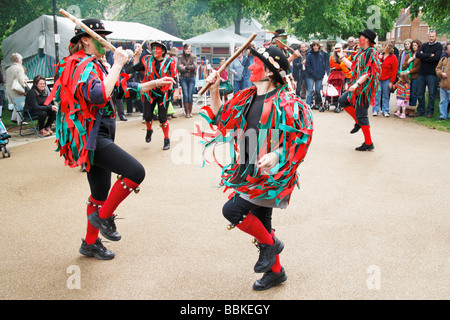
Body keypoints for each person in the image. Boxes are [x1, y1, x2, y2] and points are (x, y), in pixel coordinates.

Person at [45, 18, 175, 260]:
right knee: (136, 172)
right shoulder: (79, 65)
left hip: (100, 135)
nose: (107, 41)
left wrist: (156, 82)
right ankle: (103, 217)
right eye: (101, 36)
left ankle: (90, 243)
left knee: (99, 194)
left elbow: (122, 89)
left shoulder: (97, 64)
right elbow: (99, 95)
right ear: (85, 40)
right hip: (92, 138)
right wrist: (117, 64)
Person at [201, 45, 313, 291]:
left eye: (256, 63)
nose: (250, 66)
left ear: (271, 72)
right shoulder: (245, 96)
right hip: (247, 171)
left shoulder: (288, 102)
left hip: (268, 178)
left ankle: (271, 246)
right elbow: (222, 119)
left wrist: (276, 154)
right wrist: (214, 89)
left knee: (232, 211)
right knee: (263, 223)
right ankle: (276, 272)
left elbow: (300, 139)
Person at [337, 28, 381, 151]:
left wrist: (356, 84)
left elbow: (369, 72)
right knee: (342, 100)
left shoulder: (371, 53)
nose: (359, 39)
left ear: (367, 40)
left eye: (361, 37)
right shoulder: (361, 52)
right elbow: (354, 67)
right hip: (357, 88)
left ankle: (368, 143)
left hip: (364, 90)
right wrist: (342, 57)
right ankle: (358, 122)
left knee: (362, 115)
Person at [133, 41, 177, 149]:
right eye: (153, 48)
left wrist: (176, 90)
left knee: (163, 118)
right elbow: (135, 68)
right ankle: (149, 130)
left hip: (164, 93)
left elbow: (174, 77)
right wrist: (137, 55)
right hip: (150, 93)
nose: (154, 51)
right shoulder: (147, 60)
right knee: (147, 116)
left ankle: (166, 139)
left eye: (157, 48)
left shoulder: (170, 62)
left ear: (163, 51)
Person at [415, 30, 443, 118]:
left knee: (431, 94)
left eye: (432, 36)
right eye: (430, 36)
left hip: (432, 74)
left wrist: (425, 56)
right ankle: (421, 111)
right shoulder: (424, 45)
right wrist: (430, 55)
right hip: (422, 73)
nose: (431, 38)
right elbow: (418, 55)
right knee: (420, 93)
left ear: (436, 37)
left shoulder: (439, 46)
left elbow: (436, 58)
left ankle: (430, 112)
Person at [373, 43, 398, 117]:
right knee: (377, 95)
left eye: (384, 47)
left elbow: (394, 70)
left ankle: (385, 110)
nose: (382, 48)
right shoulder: (380, 56)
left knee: (386, 95)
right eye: (382, 47)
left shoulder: (393, 58)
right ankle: (375, 110)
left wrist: (392, 81)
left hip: (387, 78)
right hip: (378, 77)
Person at [5, 53, 28, 124]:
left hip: (9, 89)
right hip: (17, 89)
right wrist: (26, 88)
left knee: (15, 104)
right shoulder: (19, 68)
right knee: (20, 104)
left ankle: (14, 118)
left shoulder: (8, 69)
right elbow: (21, 80)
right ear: (19, 60)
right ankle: (20, 121)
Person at [402, 40, 422, 117]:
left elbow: (418, 68)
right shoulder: (408, 55)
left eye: (415, 45)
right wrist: (408, 62)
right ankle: (406, 108)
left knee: (414, 93)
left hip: (415, 77)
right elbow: (403, 67)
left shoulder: (419, 56)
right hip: (407, 78)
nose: (414, 47)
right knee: (407, 93)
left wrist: (410, 71)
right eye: (413, 45)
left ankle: (412, 109)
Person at [305, 41, 326, 109]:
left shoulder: (321, 55)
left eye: (317, 46)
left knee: (317, 90)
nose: (316, 47)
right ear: (312, 46)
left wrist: (323, 73)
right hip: (311, 75)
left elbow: (323, 65)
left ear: (319, 47)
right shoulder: (309, 55)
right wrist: (311, 72)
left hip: (319, 75)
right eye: (314, 46)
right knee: (310, 90)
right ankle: (308, 104)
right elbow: (307, 65)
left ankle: (317, 104)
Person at [177, 44, 197, 117]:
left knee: (190, 95)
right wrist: (189, 68)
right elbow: (179, 68)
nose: (189, 50)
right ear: (184, 49)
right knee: (185, 94)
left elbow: (194, 66)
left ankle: (190, 112)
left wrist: (185, 67)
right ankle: (187, 112)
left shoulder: (193, 57)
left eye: (189, 49)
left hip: (191, 78)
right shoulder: (180, 57)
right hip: (183, 78)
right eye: (187, 49)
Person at [436, 42, 450, 120]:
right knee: (443, 101)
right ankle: (443, 115)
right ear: (446, 50)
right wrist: (441, 73)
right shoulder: (443, 59)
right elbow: (437, 68)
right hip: (443, 84)